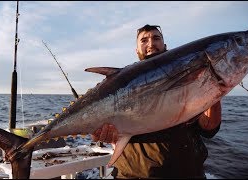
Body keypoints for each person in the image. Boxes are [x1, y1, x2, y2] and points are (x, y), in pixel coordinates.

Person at [91, 24, 222, 179]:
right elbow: (99, 132)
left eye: (156, 38)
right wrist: (102, 134)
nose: (151, 43)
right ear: (136, 50)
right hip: (133, 174)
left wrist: (214, 91)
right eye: (144, 40)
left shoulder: (188, 72)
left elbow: (208, 128)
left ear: (165, 45)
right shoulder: (119, 84)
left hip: (188, 173)